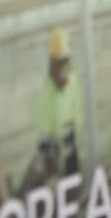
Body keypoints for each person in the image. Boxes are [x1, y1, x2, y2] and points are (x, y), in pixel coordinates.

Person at [35, 27, 82, 179]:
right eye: (58, 62)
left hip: (70, 137)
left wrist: (75, 131)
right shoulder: (47, 87)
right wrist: (46, 146)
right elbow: (44, 120)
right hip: (53, 142)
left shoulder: (73, 79)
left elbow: (76, 107)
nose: (62, 67)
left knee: (72, 176)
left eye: (65, 61)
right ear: (52, 63)